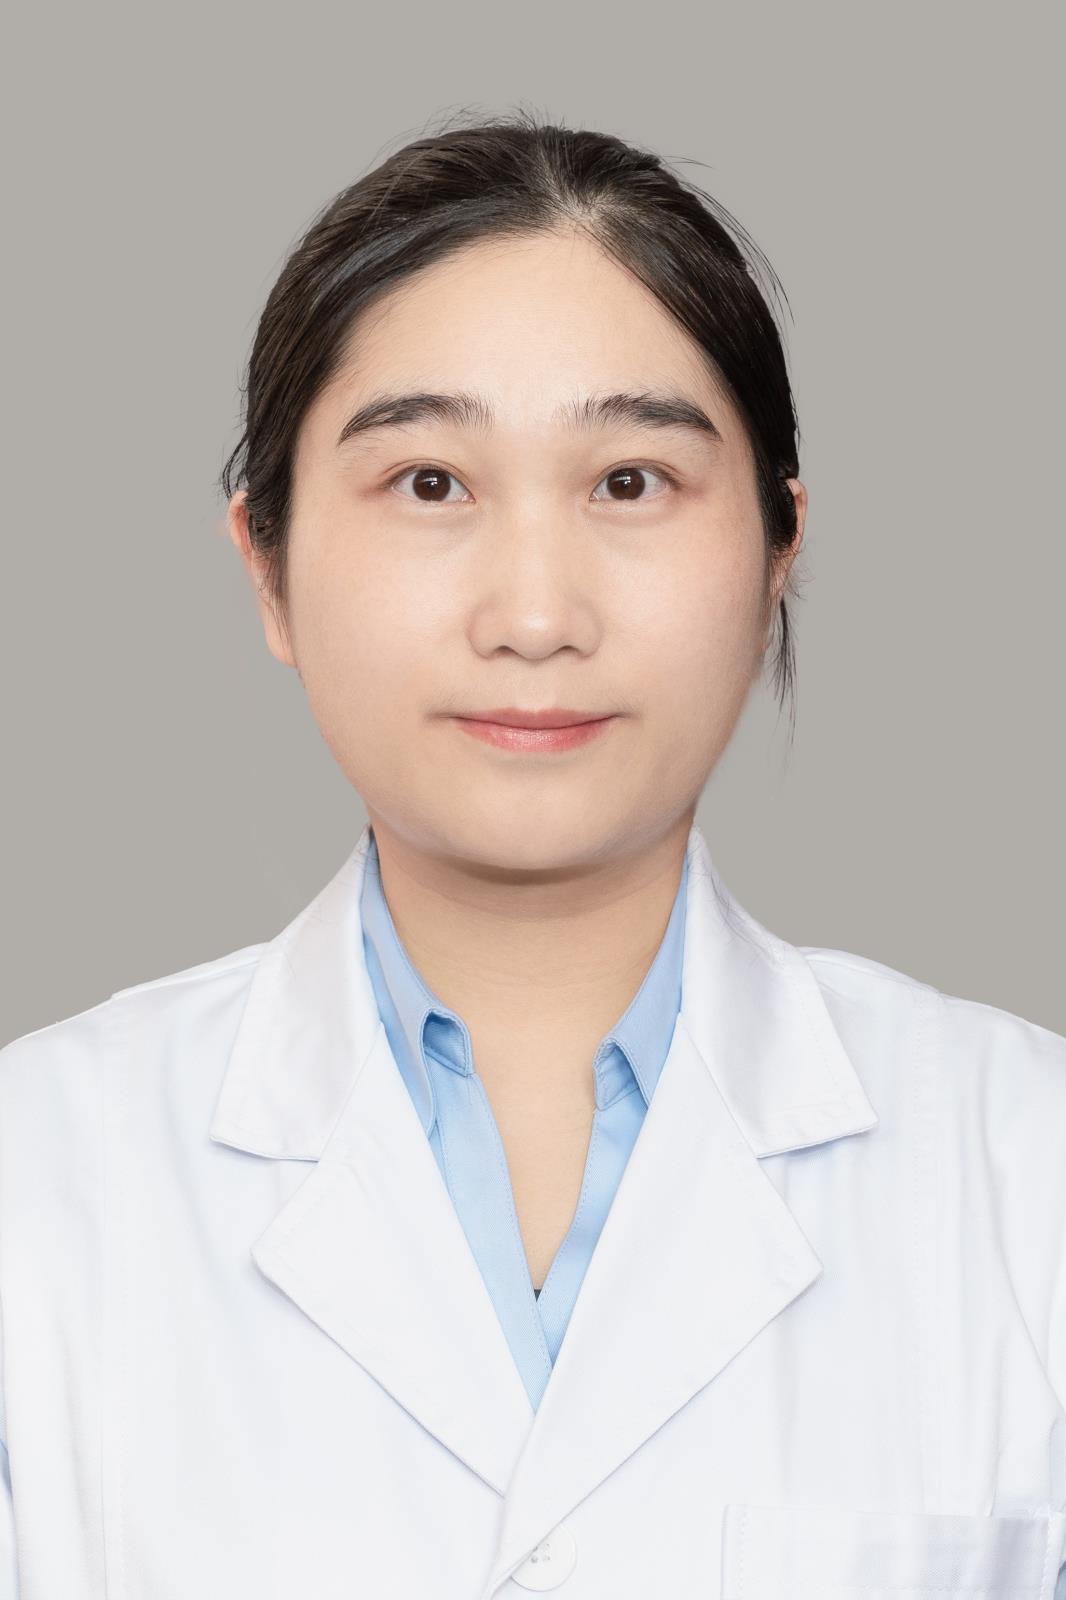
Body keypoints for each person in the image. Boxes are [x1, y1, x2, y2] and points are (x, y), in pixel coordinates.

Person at [1, 110, 1063, 1599]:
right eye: (429, 483)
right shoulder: (39, 1181)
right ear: (268, 566)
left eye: (630, 482)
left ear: (777, 549)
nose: (536, 615)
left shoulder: (1026, 1169)